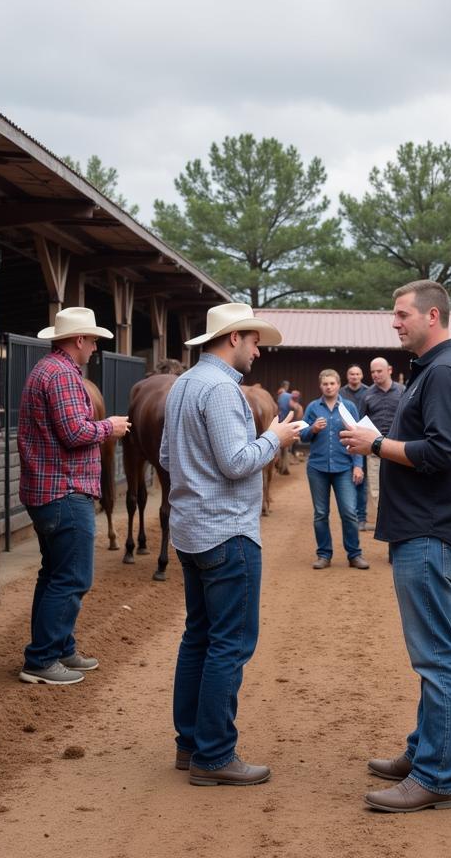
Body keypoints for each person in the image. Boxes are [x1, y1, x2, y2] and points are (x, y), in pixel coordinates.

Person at [341, 280, 451, 813]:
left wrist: (376, 444)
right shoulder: (437, 369)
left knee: (436, 659)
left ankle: (438, 778)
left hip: (430, 529)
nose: (395, 323)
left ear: (433, 316)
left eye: (402, 315)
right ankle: (425, 750)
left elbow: (443, 452)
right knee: (432, 655)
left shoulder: (444, 372)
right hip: (423, 527)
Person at [159, 302, 303, 785]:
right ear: (234, 338)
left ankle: (189, 743)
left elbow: (164, 454)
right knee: (229, 644)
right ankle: (215, 756)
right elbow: (237, 462)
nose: (258, 350)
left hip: (191, 529)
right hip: (227, 531)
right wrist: (276, 437)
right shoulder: (222, 389)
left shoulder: (183, 384)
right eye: (254, 340)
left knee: (198, 636)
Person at [17, 307, 131, 686]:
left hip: (47, 490)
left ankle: (59, 647)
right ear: (79, 340)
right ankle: (42, 659)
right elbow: (74, 432)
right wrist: (109, 426)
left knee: (53, 574)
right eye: (94, 340)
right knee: (73, 577)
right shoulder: (64, 375)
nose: (95, 347)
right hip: (65, 490)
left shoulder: (47, 370)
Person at [300, 370, 368, 569]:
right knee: (321, 513)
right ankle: (324, 554)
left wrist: (358, 465)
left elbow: (358, 436)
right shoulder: (313, 407)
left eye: (332, 383)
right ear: (320, 386)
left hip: (344, 467)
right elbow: (302, 436)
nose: (328, 386)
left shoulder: (348, 407)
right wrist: (312, 429)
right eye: (325, 384)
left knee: (349, 512)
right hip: (317, 468)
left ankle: (354, 555)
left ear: (339, 385)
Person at [361, 357, 405, 525]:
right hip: (375, 450)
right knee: (376, 489)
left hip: (398, 449)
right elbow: (361, 422)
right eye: (372, 372)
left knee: (401, 486)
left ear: (390, 370)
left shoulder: (403, 391)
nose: (375, 375)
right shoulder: (367, 395)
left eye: (379, 371)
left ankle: (400, 521)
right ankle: (386, 522)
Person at [340, 365, 371, 530]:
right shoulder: (341, 393)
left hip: (364, 437)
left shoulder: (368, 391)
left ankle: (361, 517)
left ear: (361, 375)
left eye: (357, 373)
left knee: (362, 480)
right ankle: (350, 514)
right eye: (351, 373)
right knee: (348, 478)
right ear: (347, 376)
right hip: (346, 438)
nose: (354, 376)